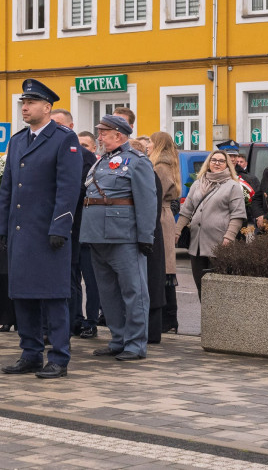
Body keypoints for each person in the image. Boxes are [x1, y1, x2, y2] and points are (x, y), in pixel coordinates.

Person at [0, 80, 81, 378]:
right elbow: (7, 187)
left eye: (31, 102)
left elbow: (68, 189)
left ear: (47, 107)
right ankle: (30, 353)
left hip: (48, 234)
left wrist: (60, 226)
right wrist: (0, 227)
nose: (25, 107)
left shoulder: (64, 139)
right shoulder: (17, 141)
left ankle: (58, 357)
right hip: (20, 233)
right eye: (23, 103)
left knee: (54, 297)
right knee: (24, 296)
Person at [78, 114, 157, 362]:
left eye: (103, 132)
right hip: (96, 235)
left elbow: (146, 201)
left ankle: (135, 343)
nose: (99, 137)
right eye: (99, 132)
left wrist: (145, 236)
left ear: (119, 135)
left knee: (134, 291)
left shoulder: (137, 161)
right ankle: (118, 338)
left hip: (124, 236)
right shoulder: (100, 162)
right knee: (107, 292)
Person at [50, 109, 100, 340]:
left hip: (82, 226)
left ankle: (90, 321)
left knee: (89, 277)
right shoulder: (47, 151)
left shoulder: (84, 155)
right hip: (59, 227)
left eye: (59, 124)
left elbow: (81, 188)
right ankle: (72, 321)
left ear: (70, 126)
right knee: (67, 279)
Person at [176, 150, 246, 298]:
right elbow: (186, 211)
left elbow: (237, 215)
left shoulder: (232, 186)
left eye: (221, 161)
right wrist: (177, 231)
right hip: (196, 244)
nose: (217, 163)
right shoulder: (197, 184)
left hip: (219, 243)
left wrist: (229, 237)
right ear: (208, 163)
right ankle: (206, 320)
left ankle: (219, 320)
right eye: (213, 160)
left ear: (227, 165)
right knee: (201, 288)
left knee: (217, 291)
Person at [149, 132, 180, 333]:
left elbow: (154, 194)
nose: (148, 145)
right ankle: (170, 319)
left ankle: (167, 319)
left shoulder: (160, 166)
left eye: (151, 142)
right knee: (165, 270)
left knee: (162, 270)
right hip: (164, 215)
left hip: (159, 216)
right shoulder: (170, 164)